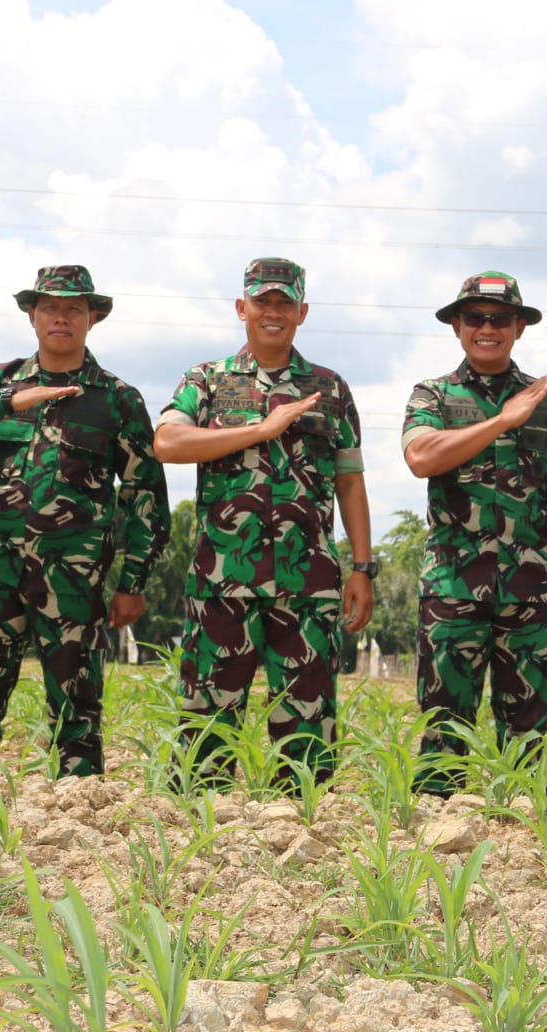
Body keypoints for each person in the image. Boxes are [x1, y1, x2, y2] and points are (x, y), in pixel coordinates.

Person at [0, 266, 171, 776]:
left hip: (73, 580)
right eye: (50, 307)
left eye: (74, 309)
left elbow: (145, 493)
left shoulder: (117, 399)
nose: (61, 318)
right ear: (31, 315)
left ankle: (80, 808)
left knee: (77, 705)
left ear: (92, 319)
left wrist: (134, 581)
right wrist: (5, 404)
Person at [154, 257, 374, 786]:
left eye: (283, 303)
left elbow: (350, 480)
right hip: (222, 579)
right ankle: (201, 838)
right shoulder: (206, 381)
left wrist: (362, 567)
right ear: (241, 308)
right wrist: (260, 430)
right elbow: (168, 442)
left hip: (309, 581)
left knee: (308, 734)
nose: (271, 312)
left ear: (301, 311)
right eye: (261, 301)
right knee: (206, 729)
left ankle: (301, 837)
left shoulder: (330, 388)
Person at [402, 271, 547, 796]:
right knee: (445, 717)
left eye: (500, 319)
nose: (488, 328)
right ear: (458, 327)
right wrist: (502, 422)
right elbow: (420, 457)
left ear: (518, 328)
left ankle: (527, 838)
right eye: (476, 319)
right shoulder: (433, 395)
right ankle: (437, 831)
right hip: (453, 584)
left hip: (532, 585)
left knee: (531, 720)